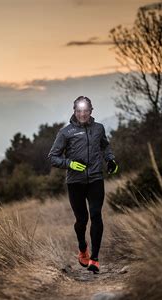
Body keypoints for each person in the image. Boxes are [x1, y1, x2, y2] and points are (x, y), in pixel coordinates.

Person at [47, 96, 118, 274]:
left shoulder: (99, 129)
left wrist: (110, 160)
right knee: (82, 220)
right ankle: (82, 247)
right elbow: (53, 157)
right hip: (75, 182)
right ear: (74, 111)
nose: (82, 114)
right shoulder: (66, 132)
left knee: (96, 215)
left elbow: (105, 146)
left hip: (95, 178)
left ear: (91, 111)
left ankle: (94, 259)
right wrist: (69, 164)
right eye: (79, 111)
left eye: (86, 111)